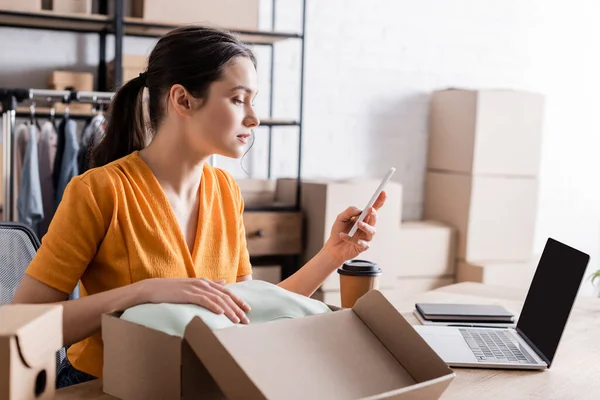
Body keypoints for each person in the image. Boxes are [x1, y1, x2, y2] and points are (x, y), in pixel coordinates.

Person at [12, 26, 386, 389]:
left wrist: (333, 255)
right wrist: (141, 292)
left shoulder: (225, 190)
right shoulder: (99, 190)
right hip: (107, 384)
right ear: (182, 99)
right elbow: (20, 322)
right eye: (238, 99)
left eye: (253, 101)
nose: (254, 118)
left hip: (202, 379)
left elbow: (247, 312)